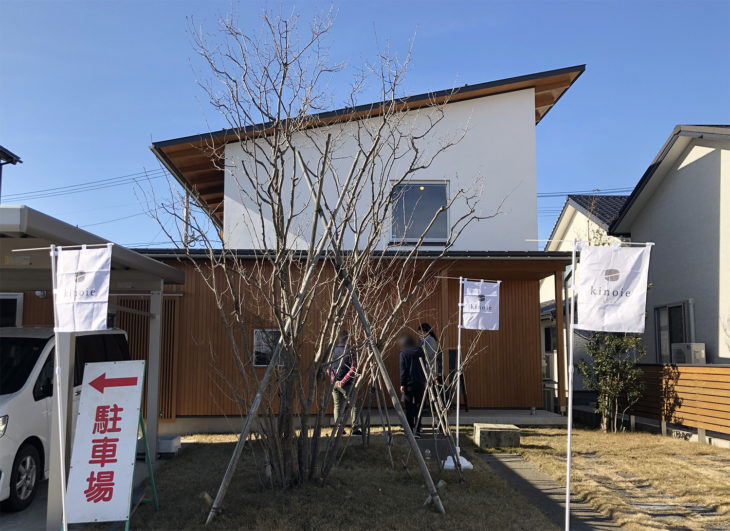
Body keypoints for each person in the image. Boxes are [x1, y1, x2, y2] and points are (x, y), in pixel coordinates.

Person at [330, 330, 361, 435]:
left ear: (338, 339)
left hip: (334, 383)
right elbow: (353, 368)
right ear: (348, 338)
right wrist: (342, 382)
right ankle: (355, 429)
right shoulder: (350, 351)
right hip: (346, 383)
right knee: (354, 405)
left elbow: (328, 367)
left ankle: (338, 428)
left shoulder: (333, 350)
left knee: (337, 405)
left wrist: (334, 380)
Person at [399, 333, 426, 437]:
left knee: (409, 407)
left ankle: (410, 430)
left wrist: (402, 384)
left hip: (408, 384)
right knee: (419, 406)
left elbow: (403, 370)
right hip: (420, 382)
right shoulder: (420, 351)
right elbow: (424, 365)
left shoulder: (403, 353)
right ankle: (418, 429)